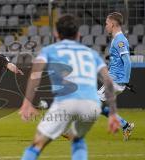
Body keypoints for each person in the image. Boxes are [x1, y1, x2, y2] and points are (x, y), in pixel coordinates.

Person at [19, 14, 120, 160]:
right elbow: (108, 82)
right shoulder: (91, 53)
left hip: (65, 103)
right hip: (92, 105)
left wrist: (27, 102)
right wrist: (112, 113)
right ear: (78, 34)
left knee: (37, 144)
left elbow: (36, 74)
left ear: (56, 34)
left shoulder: (49, 50)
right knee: (77, 138)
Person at [98, 12, 134, 141]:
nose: (106, 26)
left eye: (107, 23)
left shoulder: (120, 40)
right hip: (114, 79)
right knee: (99, 106)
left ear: (112, 24)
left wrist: (125, 79)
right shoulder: (116, 39)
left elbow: (128, 61)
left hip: (116, 80)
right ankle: (126, 125)